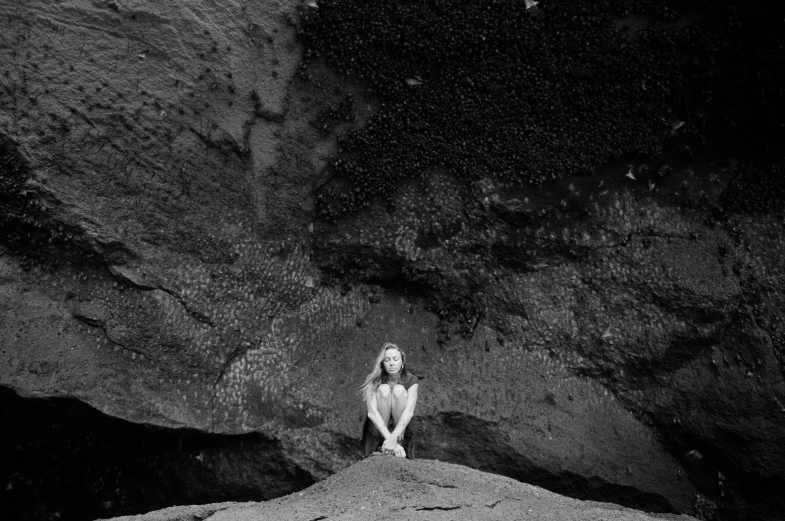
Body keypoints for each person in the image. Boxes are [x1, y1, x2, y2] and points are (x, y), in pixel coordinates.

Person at [359, 342, 419, 459]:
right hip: (378, 430)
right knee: (383, 389)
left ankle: (399, 444)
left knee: (399, 390)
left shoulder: (411, 380)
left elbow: (409, 411)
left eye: (395, 359)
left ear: (402, 361)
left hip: (401, 431)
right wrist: (390, 440)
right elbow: (372, 413)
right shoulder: (373, 380)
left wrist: (394, 437)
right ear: (382, 363)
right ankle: (382, 445)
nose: (391, 363)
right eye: (387, 360)